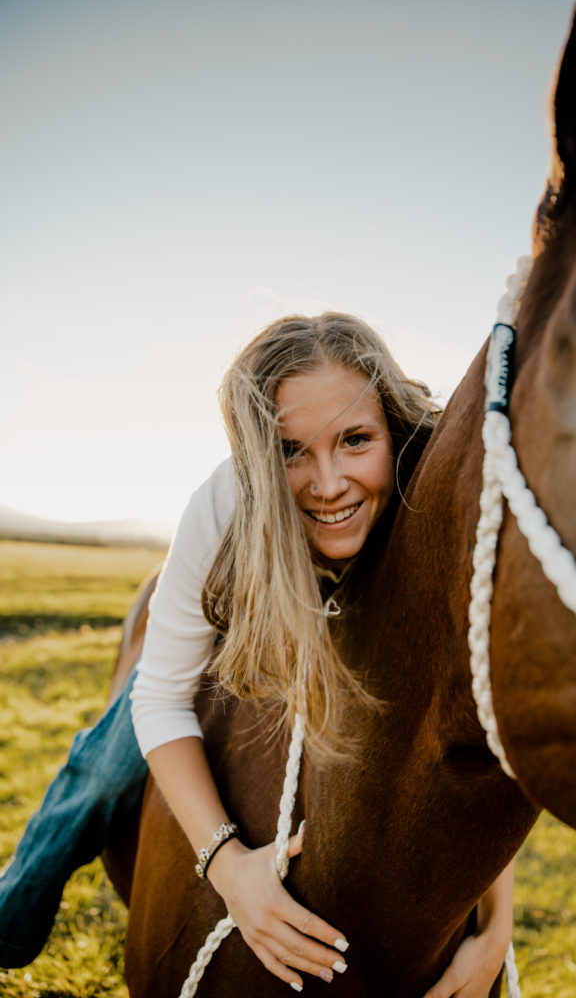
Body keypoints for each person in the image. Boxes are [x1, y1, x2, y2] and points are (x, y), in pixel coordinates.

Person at [0, 312, 514, 997]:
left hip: (364, 615)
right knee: (107, 765)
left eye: (355, 440)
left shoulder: (432, 489)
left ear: (393, 427)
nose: (327, 483)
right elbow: (160, 698)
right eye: (291, 450)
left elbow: (469, 723)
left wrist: (495, 929)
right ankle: (18, 898)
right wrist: (228, 867)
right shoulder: (223, 505)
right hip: (241, 618)